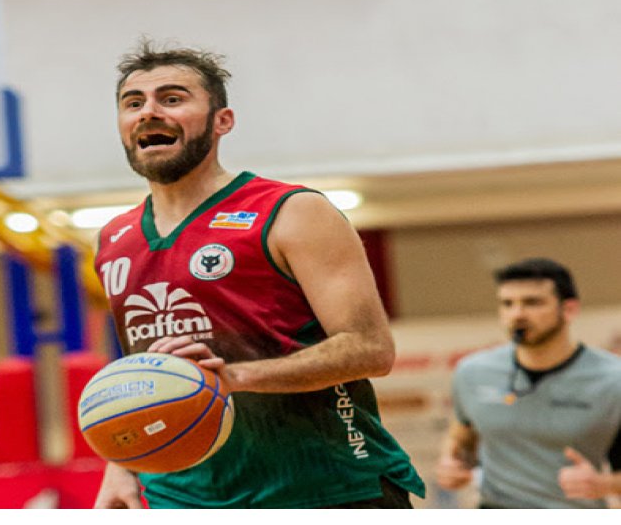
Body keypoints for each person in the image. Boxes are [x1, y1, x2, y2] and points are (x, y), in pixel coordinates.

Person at [92, 39, 425, 509]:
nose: (149, 112)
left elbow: (370, 349)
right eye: (133, 103)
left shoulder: (291, 211)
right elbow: (147, 370)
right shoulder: (115, 238)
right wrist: (122, 463)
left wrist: (234, 376)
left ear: (222, 121)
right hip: (182, 497)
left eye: (172, 99)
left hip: (326, 488)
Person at [436, 258, 621, 508]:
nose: (517, 314)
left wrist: (604, 484)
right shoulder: (472, 372)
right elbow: (462, 439)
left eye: (532, 302)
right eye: (507, 304)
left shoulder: (613, 378)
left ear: (569, 310)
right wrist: (452, 463)